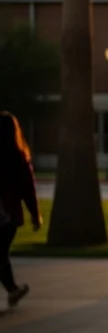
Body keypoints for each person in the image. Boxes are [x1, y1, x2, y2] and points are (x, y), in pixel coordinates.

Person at [0, 112, 40, 314]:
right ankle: (13, 290)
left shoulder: (17, 159)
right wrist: (35, 214)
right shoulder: (19, 159)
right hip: (8, 215)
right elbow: (28, 189)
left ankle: (13, 289)